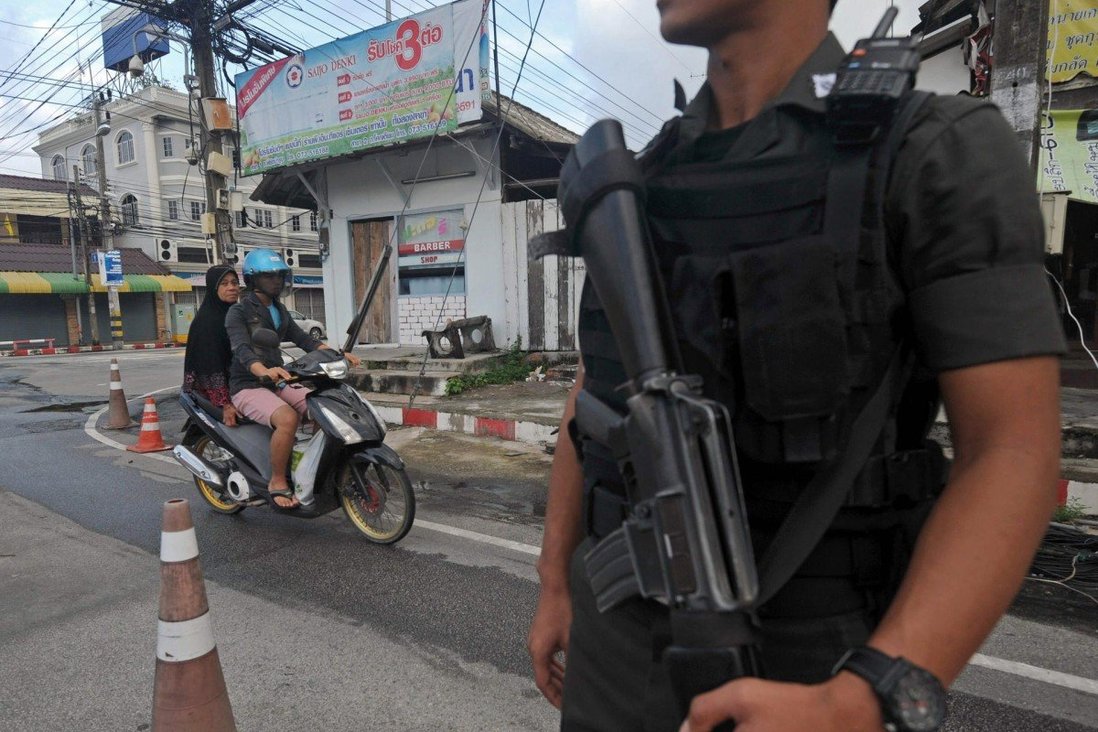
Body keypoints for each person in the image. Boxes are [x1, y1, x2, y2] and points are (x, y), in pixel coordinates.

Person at [527, 1, 1066, 731]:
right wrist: (556, 579)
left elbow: (1013, 448)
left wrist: (869, 694)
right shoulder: (633, 184)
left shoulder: (933, 150)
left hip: (814, 663)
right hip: (614, 640)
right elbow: (596, 394)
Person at [226, 248, 361, 509]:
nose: (276, 281)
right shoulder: (239, 312)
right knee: (287, 418)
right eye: (269, 277)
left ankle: (308, 467)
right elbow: (241, 349)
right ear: (253, 280)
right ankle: (277, 480)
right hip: (247, 384)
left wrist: (339, 354)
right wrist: (262, 370)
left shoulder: (279, 310)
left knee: (325, 408)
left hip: (277, 380)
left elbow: (305, 340)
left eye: (279, 276)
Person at [181, 264, 241, 427]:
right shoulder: (208, 321)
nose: (231, 288)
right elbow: (211, 365)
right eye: (224, 283)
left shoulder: (234, 313)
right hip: (215, 393)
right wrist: (225, 404)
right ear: (213, 288)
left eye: (234, 283)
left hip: (238, 383)